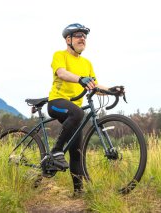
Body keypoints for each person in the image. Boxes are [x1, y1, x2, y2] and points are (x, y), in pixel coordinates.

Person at [46, 23, 111, 194]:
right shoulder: (59, 55)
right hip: (56, 103)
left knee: (77, 151)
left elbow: (94, 86)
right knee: (78, 112)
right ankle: (56, 151)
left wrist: (112, 91)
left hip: (74, 112)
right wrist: (80, 79)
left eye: (84, 36)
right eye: (78, 35)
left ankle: (78, 192)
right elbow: (61, 73)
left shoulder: (87, 63)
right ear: (68, 40)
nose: (83, 38)